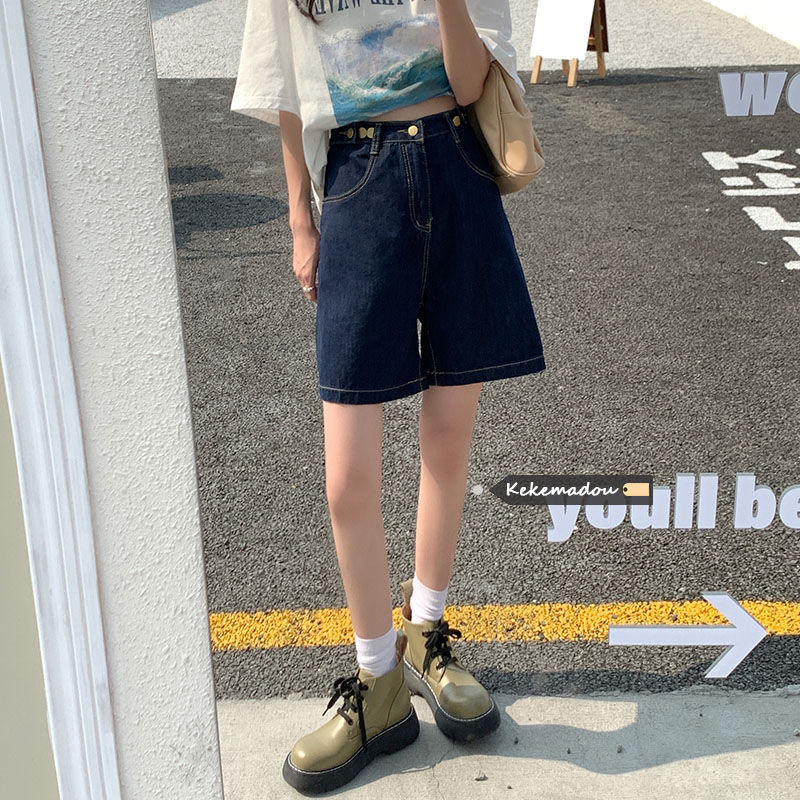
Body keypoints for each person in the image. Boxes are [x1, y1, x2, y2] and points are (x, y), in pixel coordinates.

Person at [231, 0, 546, 792]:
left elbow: (472, 83)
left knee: (448, 440)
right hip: (357, 180)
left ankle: (425, 634)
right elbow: (285, 84)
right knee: (347, 479)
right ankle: (378, 681)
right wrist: (300, 221)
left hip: (458, 167)